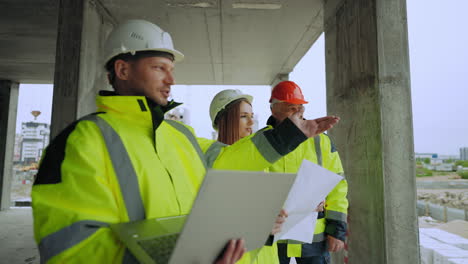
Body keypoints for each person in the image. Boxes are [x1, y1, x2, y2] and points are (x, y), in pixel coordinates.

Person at [31, 20, 340, 264]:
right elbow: (68, 251)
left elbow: (228, 163)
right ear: (122, 69)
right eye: (159, 68)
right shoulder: (82, 140)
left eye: (172, 70)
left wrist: (291, 136)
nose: (171, 80)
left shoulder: (181, 137)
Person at [267, 81, 348, 264]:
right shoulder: (263, 142)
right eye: (290, 108)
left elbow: (338, 185)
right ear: (274, 110)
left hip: (313, 238)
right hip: (273, 238)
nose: (298, 113)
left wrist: (336, 230)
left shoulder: (321, 142)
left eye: (300, 108)